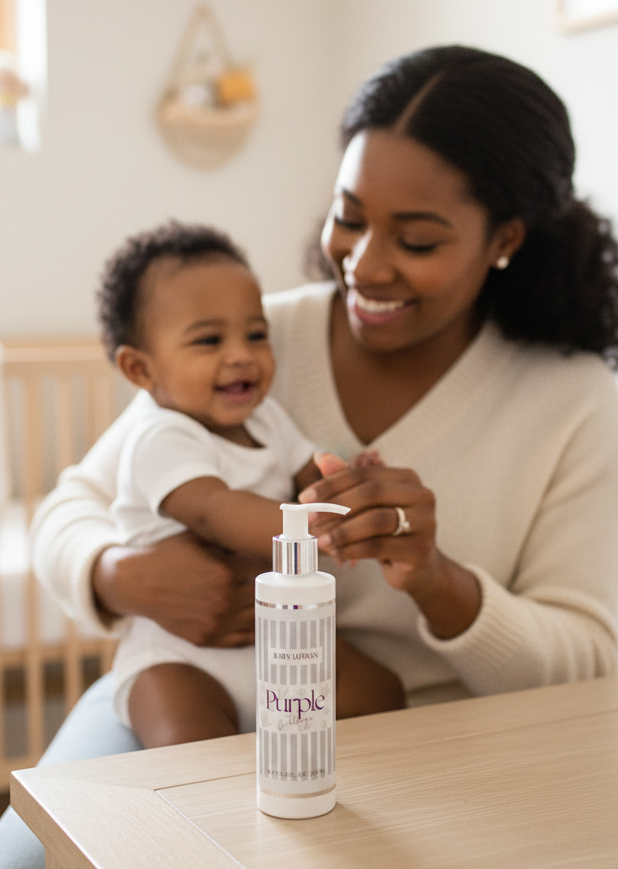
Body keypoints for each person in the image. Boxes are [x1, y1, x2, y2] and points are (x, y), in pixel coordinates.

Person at [0, 44, 618, 868]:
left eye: (418, 239)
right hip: (185, 684)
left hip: (408, 728)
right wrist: (118, 575)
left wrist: (440, 582)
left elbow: (585, 665)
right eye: (350, 216)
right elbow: (72, 505)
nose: (364, 264)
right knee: (20, 862)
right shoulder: (256, 338)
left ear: (503, 237)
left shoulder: (567, 400)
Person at [97, 221, 404, 747]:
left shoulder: (267, 421)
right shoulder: (160, 437)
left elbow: (309, 472)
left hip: (280, 639)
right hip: (180, 656)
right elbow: (216, 510)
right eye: (209, 340)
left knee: (381, 692)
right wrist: (317, 528)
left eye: (255, 335)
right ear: (140, 369)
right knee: (192, 752)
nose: (241, 354)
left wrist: (346, 483)